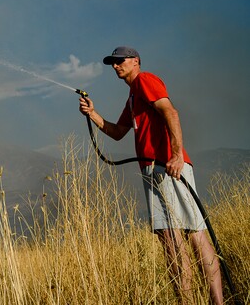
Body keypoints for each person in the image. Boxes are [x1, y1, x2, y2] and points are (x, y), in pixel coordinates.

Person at [78, 46, 223, 305]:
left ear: (136, 61)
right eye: (113, 63)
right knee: (187, 235)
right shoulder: (133, 97)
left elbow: (170, 112)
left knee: (177, 238)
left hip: (166, 167)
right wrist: (92, 114)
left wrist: (176, 155)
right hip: (158, 170)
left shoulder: (145, 80)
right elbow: (118, 131)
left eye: (120, 61)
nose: (115, 66)